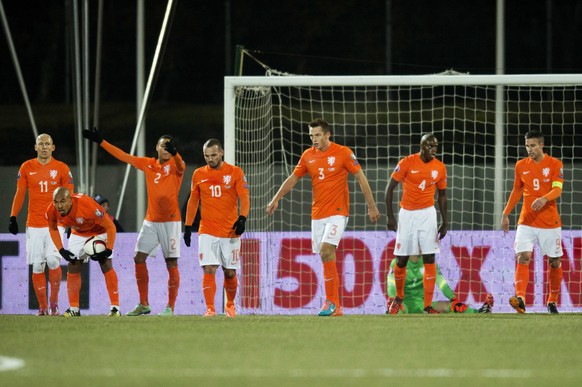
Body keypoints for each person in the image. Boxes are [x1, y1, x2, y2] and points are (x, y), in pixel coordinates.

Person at [266, 118, 380, 317]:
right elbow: (293, 178)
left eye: (318, 135)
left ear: (328, 135)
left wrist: (371, 206)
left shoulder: (343, 152)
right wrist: (276, 199)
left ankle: (331, 302)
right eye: (311, 135)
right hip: (318, 214)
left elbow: (361, 178)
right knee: (324, 255)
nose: (314, 139)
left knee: (327, 250)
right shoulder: (308, 155)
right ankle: (336, 306)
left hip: (338, 212)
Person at [83, 127, 185, 317]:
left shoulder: (176, 166)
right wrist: (101, 141)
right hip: (150, 222)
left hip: (171, 223)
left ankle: (170, 307)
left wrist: (175, 153)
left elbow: (181, 165)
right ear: (156, 147)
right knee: (138, 258)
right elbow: (123, 156)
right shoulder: (148, 164)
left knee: (171, 263)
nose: (165, 150)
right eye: (163, 146)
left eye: (169, 147)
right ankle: (144, 304)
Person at [8, 133, 74, 316]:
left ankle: (54, 304)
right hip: (35, 224)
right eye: (41, 144)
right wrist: (13, 216)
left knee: (53, 260)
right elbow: (20, 192)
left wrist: (69, 218)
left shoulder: (61, 168)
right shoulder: (27, 167)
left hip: (56, 223)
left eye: (47, 144)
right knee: (37, 266)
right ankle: (42, 307)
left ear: (53, 147)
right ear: (35, 147)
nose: (44, 147)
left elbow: (70, 196)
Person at [183, 139, 250, 317]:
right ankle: (210, 309)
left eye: (213, 155)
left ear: (221, 153)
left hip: (230, 231)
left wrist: (242, 218)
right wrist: (188, 225)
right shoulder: (198, 174)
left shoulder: (235, 172)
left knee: (229, 272)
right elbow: (193, 201)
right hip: (207, 230)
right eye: (206, 156)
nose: (210, 159)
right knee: (209, 268)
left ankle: (230, 304)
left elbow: (244, 197)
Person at [501, 130, 564, 314]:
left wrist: (544, 198)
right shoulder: (521, 166)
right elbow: (516, 190)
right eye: (527, 146)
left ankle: (552, 300)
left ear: (542, 145)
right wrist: (506, 213)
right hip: (526, 221)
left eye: (533, 145)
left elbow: (557, 190)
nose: (530, 149)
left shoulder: (555, 164)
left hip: (549, 222)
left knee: (554, 261)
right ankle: (520, 299)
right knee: (523, 257)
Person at [385, 133, 448, 315]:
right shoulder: (407, 162)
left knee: (429, 257)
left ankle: (428, 306)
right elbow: (390, 189)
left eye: (436, 146)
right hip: (407, 215)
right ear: (422, 147)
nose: (434, 150)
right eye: (430, 146)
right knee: (401, 259)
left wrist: (445, 222)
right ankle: (398, 298)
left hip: (428, 214)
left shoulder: (440, 167)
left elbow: (442, 195)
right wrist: (390, 217)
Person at [46, 187, 120, 316]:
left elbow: (110, 226)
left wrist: (109, 249)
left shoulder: (87, 205)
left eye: (63, 201)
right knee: (73, 264)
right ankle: (74, 309)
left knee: (105, 263)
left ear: (70, 200)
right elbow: (53, 229)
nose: (59, 205)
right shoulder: (51, 210)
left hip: (99, 230)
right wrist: (61, 250)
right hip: (79, 232)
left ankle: (115, 308)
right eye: (56, 202)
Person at [386, 255, 494, 314]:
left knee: (454, 307)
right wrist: (392, 298)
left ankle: (480, 312)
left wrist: (453, 298)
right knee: (397, 312)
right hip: (404, 304)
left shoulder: (429, 263)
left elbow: (441, 282)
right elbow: (391, 283)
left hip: (423, 304)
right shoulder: (398, 262)